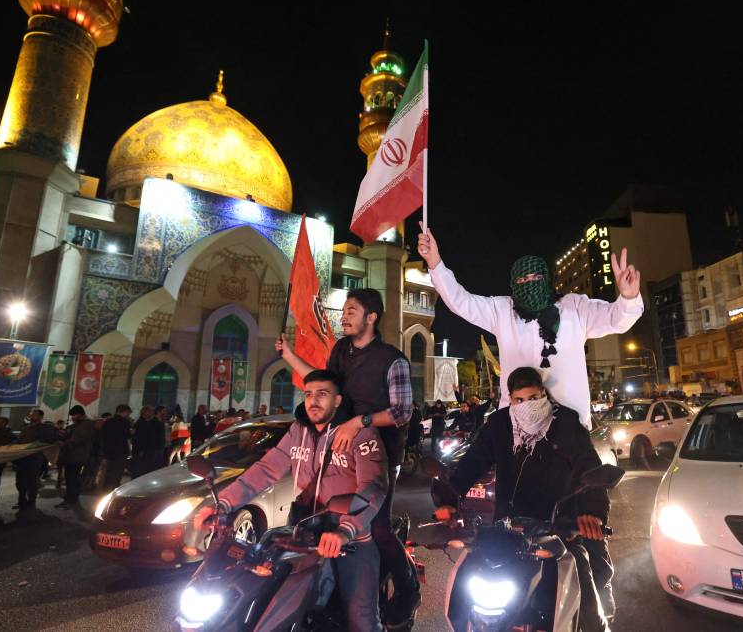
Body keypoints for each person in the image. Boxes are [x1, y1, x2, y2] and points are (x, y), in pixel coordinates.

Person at [277, 287, 420, 627]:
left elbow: (402, 411)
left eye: (352, 310)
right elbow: (323, 384)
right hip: (340, 454)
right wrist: (289, 356)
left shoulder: (392, 359)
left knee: (377, 525)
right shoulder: (342, 350)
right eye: (343, 310)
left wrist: (360, 422)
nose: (344, 316)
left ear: (371, 317)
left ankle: (404, 584)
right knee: (316, 518)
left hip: (380, 454)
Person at [434, 367, 614, 631]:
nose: (526, 406)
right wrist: (448, 500)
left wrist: (592, 512)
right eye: (519, 400)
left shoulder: (565, 424)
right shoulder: (499, 425)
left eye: (533, 398)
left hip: (558, 528)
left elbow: (589, 469)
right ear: (510, 399)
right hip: (508, 528)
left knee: (583, 587)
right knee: (466, 581)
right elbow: (471, 464)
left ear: (543, 393)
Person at [417, 223, 643, 427]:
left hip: (569, 429)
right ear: (513, 285)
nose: (529, 284)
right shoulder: (502, 311)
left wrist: (629, 297)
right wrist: (435, 263)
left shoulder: (574, 308)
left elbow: (616, 319)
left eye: (535, 278)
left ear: (547, 279)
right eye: (522, 281)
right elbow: (461, 302)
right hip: (517, 426)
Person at [218, 369, 388, 632]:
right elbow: (266, 469)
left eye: (322, 394)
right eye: (308, 394)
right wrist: (223, 504)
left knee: (361, 621)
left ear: (338, 400)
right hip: (303, 531)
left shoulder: (361, 435)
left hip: (350, 538)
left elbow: (373, 485)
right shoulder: (298, 430)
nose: (313, 401)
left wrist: (346, 529)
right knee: (265, 604)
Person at [14, 409, 58, 510]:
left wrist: (37, 444)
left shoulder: (45, 428)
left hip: (34, 459)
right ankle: (21, 501)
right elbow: (19, 441)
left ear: (41, 416)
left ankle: (31, 502)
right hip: (22, 459)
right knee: (20, 481)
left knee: (32, 481)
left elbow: (51, 439)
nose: (31, 415)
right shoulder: (26, 428)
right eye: (31, 414)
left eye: (34, 414)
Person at [57, 406, 96, 508]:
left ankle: (72, 500)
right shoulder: (77, 424)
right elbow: (69, 434)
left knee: (73, 479)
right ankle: (68, 499)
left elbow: (77, 439)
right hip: (70, 456)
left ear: (80, 414)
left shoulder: (87, 424)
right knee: (69, 479)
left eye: (74, 415)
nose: (73, 417)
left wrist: (64, 444)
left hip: (77, 456)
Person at [101, 405, 132, 489]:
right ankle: (113, 489)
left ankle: (106, 488)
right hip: (121, 451)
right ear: (123, 411)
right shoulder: (125, 422)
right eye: (127, 413)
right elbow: (128, 436)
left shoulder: (108, 422)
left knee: (109, 471)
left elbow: (103, 436)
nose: (128, 415)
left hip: (109, 451)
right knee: (117, 472)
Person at [131, 405, 165, 477]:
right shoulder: (141, 423)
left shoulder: (147, 423)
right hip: (141, 451)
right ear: (145, 412)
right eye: (150, 412)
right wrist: (141, 450)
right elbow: (139, 438)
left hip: (147, 450)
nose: (152, 413)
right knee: (139, 470)